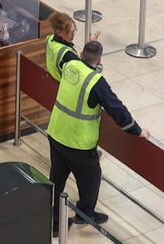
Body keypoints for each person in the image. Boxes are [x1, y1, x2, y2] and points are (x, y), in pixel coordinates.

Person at [42, 12, 142, 226]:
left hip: (56, 133)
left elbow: (77, 62)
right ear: (100, 61)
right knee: (91, 178)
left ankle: (54, 221)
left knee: (57, 179)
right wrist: (137, 130)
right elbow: (117, 110)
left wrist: (90, 48)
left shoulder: (70, 65)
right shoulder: (96, 81)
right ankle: (84, 214)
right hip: (78, 142)